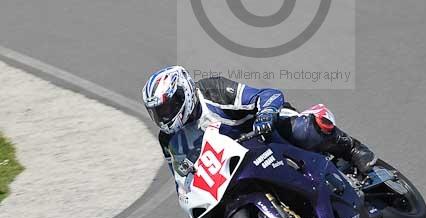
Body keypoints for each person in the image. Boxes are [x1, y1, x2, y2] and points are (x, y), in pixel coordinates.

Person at [142, 65, 376, 178]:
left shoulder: (213, 90)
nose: (165, 115)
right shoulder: (169, 139)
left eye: (169, 106)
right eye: (158, 111)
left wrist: (266, 115)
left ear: (185, 91)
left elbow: (268, 95)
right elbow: (181, 178)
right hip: (233, 165)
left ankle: (353, 148)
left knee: (302, 130)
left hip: (265, 132)